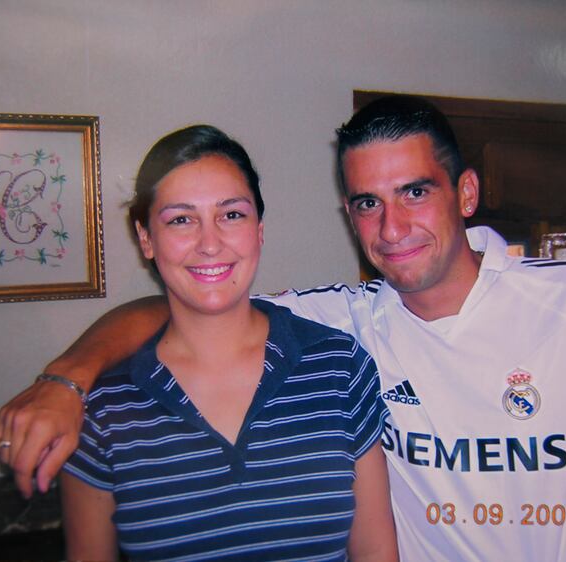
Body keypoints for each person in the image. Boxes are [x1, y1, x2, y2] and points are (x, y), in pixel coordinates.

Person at [0, 96, 566, 562]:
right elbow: (197, 298)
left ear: (465, 193)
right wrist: (69, 378)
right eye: (367, 202)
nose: (392, 227)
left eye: (415, 193)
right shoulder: (346, 324)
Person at [51, 124, 398, 561]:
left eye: (231, 214)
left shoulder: (338, 366)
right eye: (181, 219)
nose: (210, 243)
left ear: (259, 229)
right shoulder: (103, 405)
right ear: (146, 239)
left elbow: (376, 553)